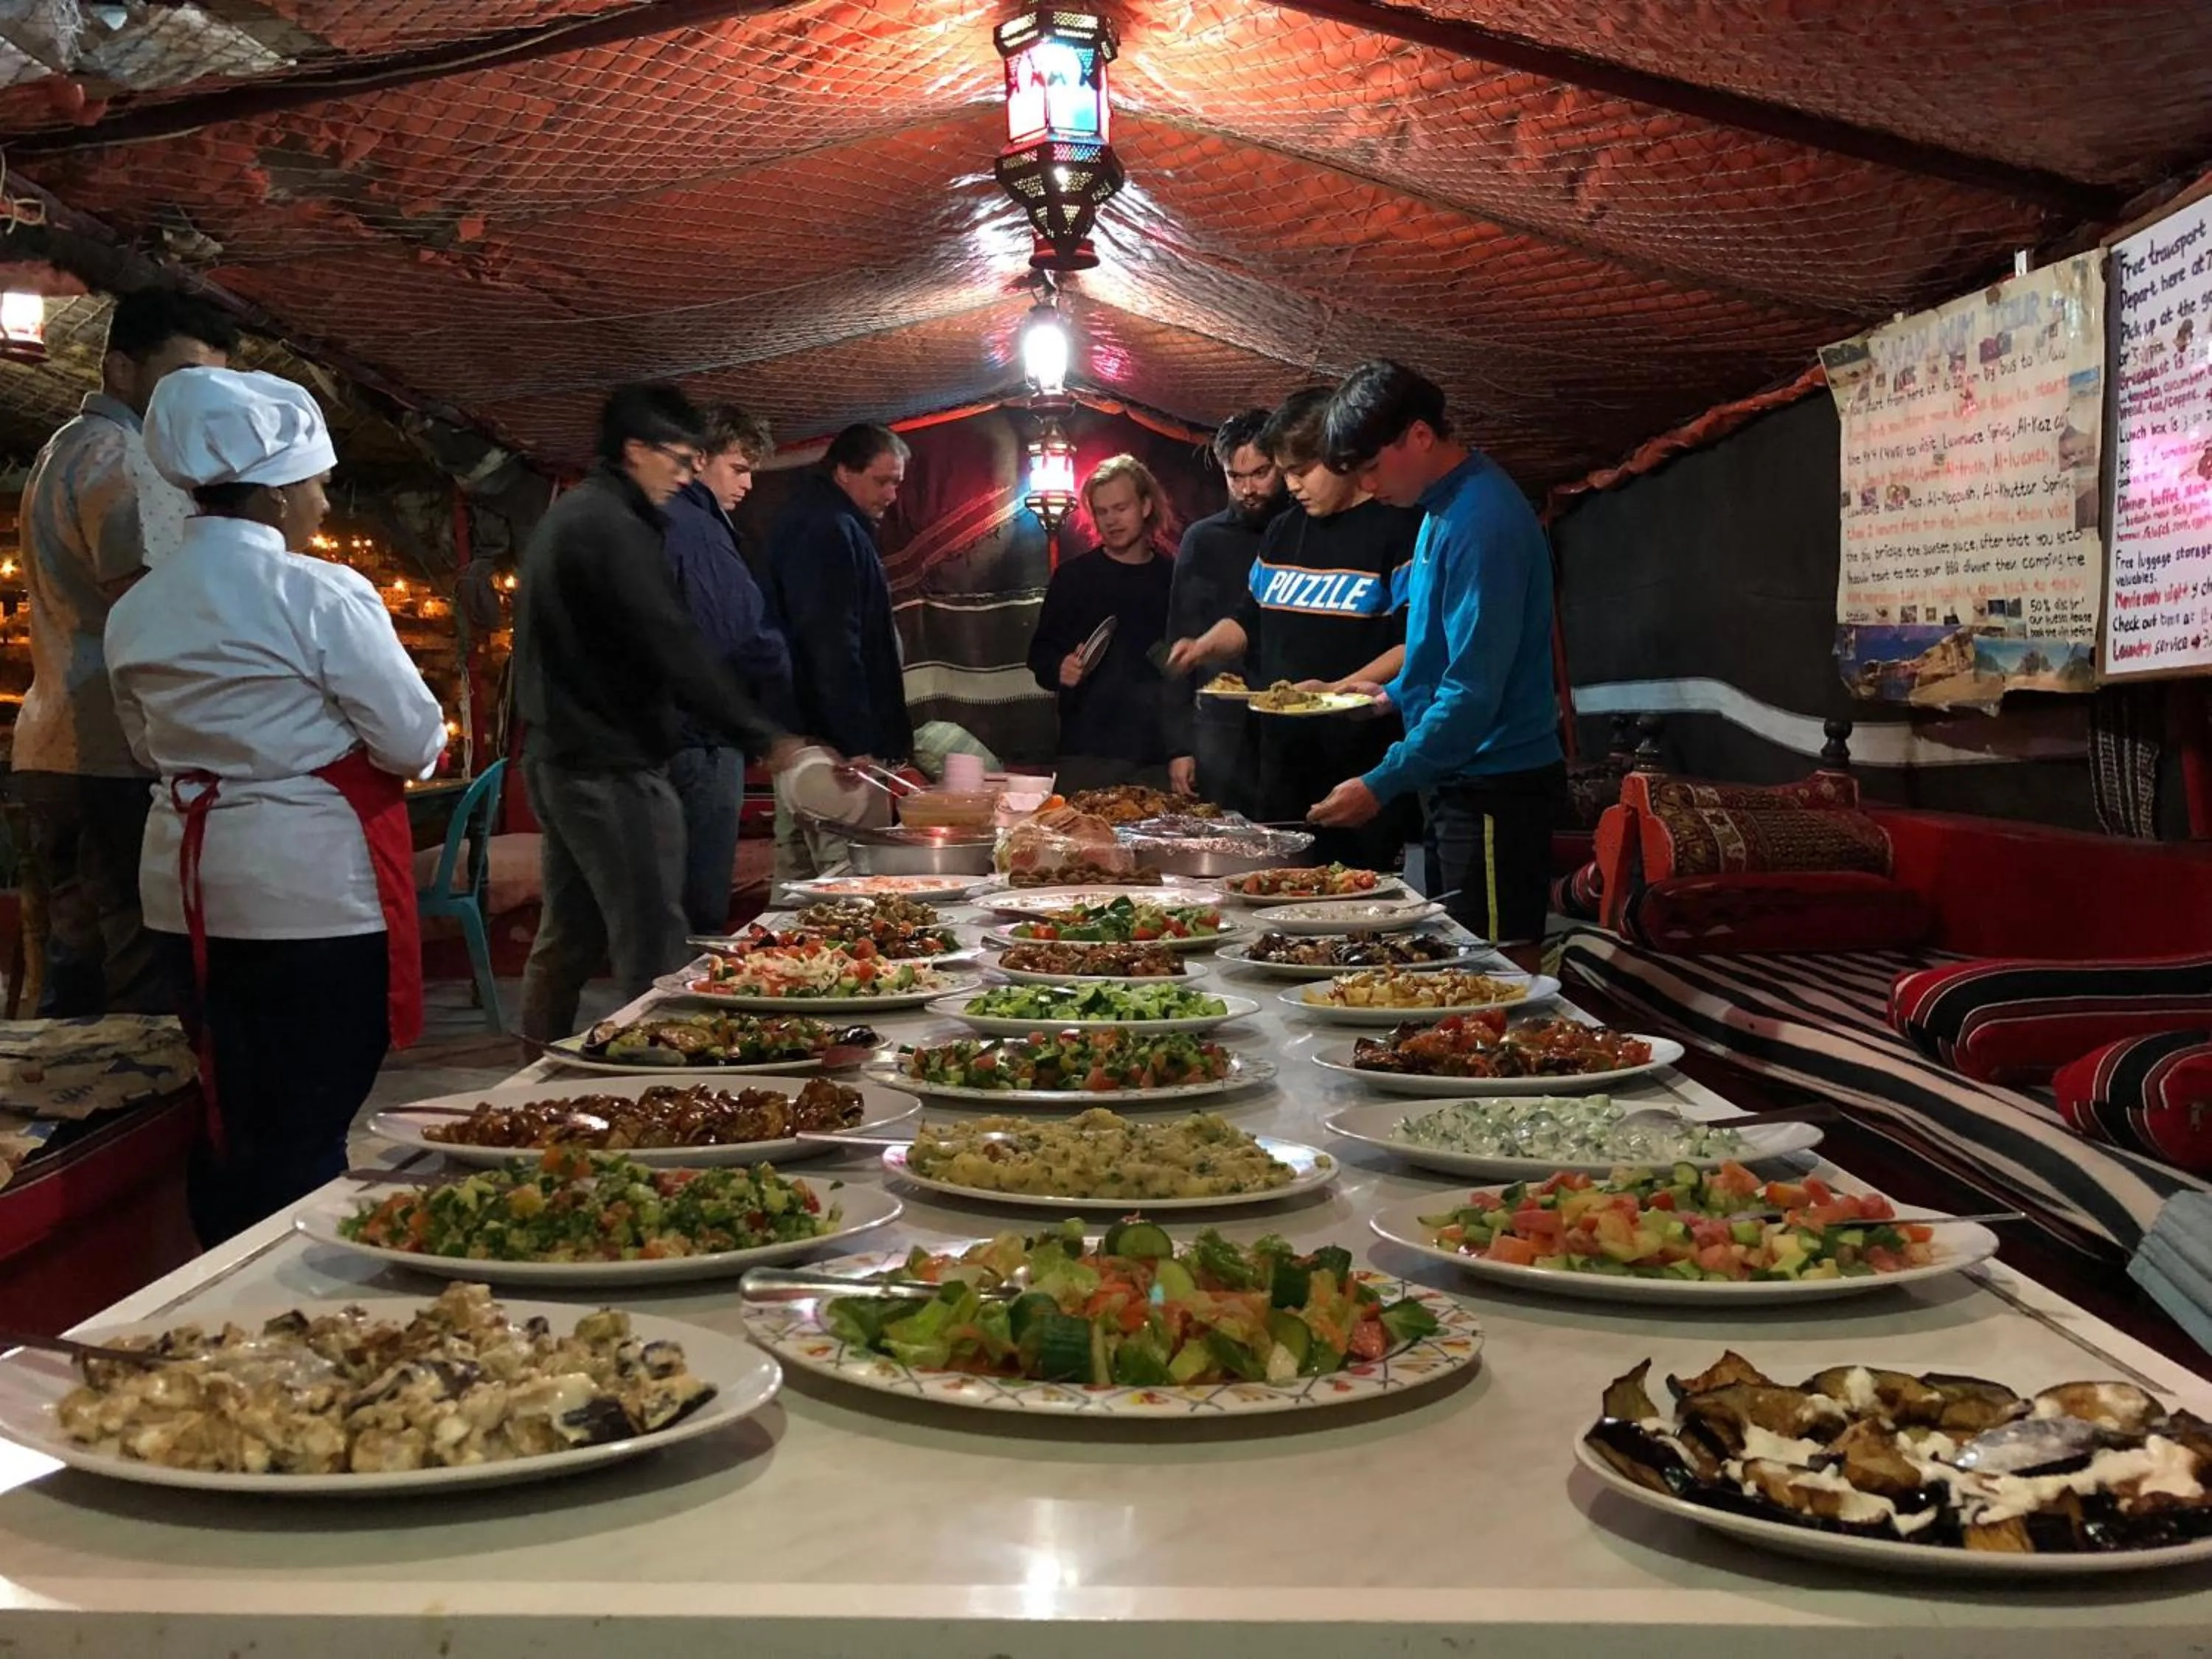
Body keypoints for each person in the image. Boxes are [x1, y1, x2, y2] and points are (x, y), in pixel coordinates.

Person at [106, 366, 446, 1245]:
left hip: (185, 892)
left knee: (231, 1107)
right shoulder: (321, 592)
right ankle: (293, 1292)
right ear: (283, 491)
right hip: (306, 889)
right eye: (322, 486)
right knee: (305, 1120)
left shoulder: (138, 607)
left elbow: (147, 748)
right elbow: (412, 742)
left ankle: (215, 1271)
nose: (326, 507)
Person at [514, 383, 799, 1043]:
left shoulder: (580, 515)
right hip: (609, 762)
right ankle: (665, 1086)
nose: (684, 475)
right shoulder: (611, 526)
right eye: (676, 459)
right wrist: (766, 737)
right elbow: (672, 641)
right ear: (635, 450)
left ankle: (532, 1070)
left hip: (562, 756)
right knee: (654, 939)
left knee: (572, 934)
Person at [13, 288, 237, 1018]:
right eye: (182, 379)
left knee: (74, 965)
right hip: (115, 755)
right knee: (138, 977)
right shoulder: (127, 463)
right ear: (120, 369)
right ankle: (133, 1128)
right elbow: (151, 613)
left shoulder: (64, 448)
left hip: (54, 748)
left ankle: (68, 1127)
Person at [1308, 361, 1565, 953]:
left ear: (1420, 436)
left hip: (1497, 787)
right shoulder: (1438, 511)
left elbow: (1473, 692)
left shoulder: (1484, 521)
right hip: (1458, 780)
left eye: (1372, 467)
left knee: (1498, 969)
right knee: (1459, 965)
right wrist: (1383, 699)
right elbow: (1439, 659)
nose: (1369, 487)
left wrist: (1379, 784)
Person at [1165, 388, 1420, 865]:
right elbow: (1250, 618)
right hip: (1280, 765)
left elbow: (1415, 643)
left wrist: (1337, 689)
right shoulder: (1286, 529)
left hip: (1360, 766)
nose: (1292, 485)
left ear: (1341, 458)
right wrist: (1202, 647)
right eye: (1285, 472)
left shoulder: (1398, 528)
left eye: (1301, 471)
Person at [764, 422, 915, 879]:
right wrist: (854, 740)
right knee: (843, 876)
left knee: (796, 877)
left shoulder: (820, 520)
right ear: (844, 472)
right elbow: (830, 639)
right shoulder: (827, 529)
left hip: (803, 736)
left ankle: (774, 951)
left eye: (898, 483)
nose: (891, 494)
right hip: (828, 748)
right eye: (882, 480)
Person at [661, 402, 790, 934]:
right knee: (698, 907)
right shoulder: (697, 530)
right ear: (698, 459)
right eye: (739, 468)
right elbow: (735, 635)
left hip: (656, 735)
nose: (749, 484)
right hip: (700, 738)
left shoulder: (645, 519)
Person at [1026, 454, 1175, 792]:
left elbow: (1185, 670)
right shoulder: (1073, 577)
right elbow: (1039, 653)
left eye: (1121, 508)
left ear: (1146, 506)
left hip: (1156, 758)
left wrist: (1183, 749)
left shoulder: (1172, 578)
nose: (1111, 520)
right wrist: (1058, 666)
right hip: (1086, 755)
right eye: (1102, 511)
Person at [1164, 408, 1285, 810]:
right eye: (1236, 476)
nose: (1248, 488)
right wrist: (1179, 746)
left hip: (1293, 717)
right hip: (1222, 727)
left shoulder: (1304, 531)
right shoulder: (1203, 539)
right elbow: (1179, 637)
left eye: (1260, 473)